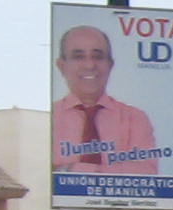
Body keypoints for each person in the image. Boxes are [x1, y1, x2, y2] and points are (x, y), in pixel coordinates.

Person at [51, 24, 159, 176]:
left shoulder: (135, 118)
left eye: (97, 56)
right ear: (61, 66)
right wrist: (114, 170)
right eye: (78, 57)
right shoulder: (49, 119)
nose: (89, 65)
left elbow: (146, 173)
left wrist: (73, 169)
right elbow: (42, 171)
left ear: (110, 64)